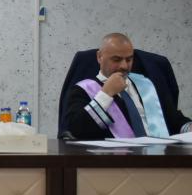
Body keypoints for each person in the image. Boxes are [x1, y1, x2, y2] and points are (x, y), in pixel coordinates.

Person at [62, 33, 190, 140]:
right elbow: (76, 130)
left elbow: (174, 120)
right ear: (99, 57)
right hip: (116, 159)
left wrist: (188, 127)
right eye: (116, 59)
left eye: (129, 59)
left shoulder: (147, 85)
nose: (124, 66)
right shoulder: (82, 90)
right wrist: (105, 94)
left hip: (160, 156)